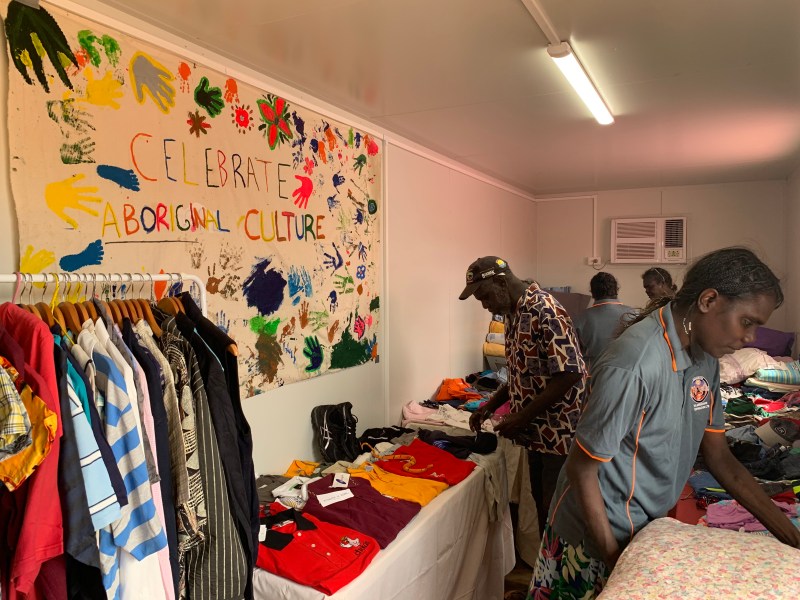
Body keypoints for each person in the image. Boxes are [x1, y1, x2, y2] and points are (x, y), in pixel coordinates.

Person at [528, 247, 800, 599]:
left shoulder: (704, 358)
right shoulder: (634, 363)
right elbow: (582, 469)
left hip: (645, 528)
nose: (750, 337)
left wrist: (790, 537)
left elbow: (720, 457)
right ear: (708, 300)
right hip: (595, 534)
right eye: (747, 322)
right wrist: (617, 562)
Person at [459, 256, 587, 534]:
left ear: (501, 283)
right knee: (542, 506)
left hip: (558, 435)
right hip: (535, 433)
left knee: (557, 511)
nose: (485, 305)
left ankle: (560, 562)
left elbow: (571, 373)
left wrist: (521, 416)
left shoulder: (546, 310)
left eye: (485, 296)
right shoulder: (512, 313)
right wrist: (489, 406)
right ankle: (546, 560)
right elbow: (520, 373)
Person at [574, 272, 633, 373]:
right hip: (627, 373)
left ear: (592, 292)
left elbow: (574, 352)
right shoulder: (634, 315)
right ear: (616, 289)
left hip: (593, 374)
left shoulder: (580, 318)